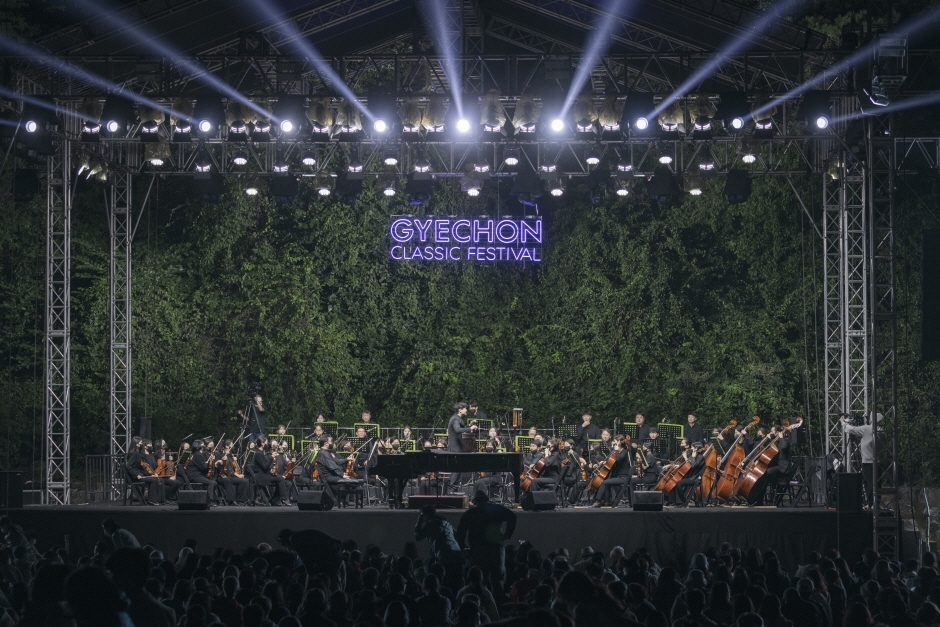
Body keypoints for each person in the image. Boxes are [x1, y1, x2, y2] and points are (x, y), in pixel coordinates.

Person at [456, 491, 516, 603]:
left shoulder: (471, 513)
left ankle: (480, 605)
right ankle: (498, 607)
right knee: (497, 581)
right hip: (496, 548)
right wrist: (507, 535)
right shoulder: (496, 509)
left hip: (478, 550)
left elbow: (460, 532)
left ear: (475, 501)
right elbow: (512, 516)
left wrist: (463, 547)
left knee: (479, 581)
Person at [841, 413, 883, 507]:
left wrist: (843, 422)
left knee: (869, 483)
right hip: (879, 461)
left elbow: (851, 430)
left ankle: (871, 503)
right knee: (877, 483)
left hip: (868, 461)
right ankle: (876, 503)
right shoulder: (882, 431)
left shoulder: (867, 429)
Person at [592, 437, 632, 507]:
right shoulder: (617, 452)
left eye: (615, 441)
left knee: (604, 482)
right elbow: (612, 462)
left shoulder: (624, 452)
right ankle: (607, 501)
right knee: (606, 481)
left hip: (623, 477)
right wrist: (605, 462)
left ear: (619, 442)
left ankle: (598, 501)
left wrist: (616, 450)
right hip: (617, 476)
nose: (613, 442)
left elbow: (618, 459)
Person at [251, 437, 290, 506]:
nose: (267, 444)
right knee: (280, 479)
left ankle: (275, 499)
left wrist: (270, 470)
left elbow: (264, 466)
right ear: (262, 443)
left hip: (264, 474)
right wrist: (271, 457)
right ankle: (284, 499)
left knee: (280, 478)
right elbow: (264, 466)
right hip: (261, 476)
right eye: (266, 443)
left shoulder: (261, 453)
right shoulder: (258, 454)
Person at [127, 439, 166, 504]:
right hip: (136, 476)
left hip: (140, 474)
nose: (141, 444)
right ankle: (151, 500)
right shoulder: (134, 454)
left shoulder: (137, 453)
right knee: (154, 480)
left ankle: (159, 500)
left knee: (158, 479)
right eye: (140, 442)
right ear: (136, 443)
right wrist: (136, 475)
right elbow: (129, 466)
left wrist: (152, 473)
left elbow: (141, 466)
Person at [448, 402, 478, 489]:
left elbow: (461, 428)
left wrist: (469, 425)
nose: (466, 410)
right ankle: (452, 489)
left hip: (457, 447)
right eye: (465, 408)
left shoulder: (457, 418)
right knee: (456, 469)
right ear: (460, 410)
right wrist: (470, 428)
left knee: (458, 469)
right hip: (455, 447)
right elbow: (457, 429)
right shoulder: (455, 419)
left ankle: (455, 488)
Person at [185, 439, 222, 505]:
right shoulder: (198, 455)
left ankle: (209, 498)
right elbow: (204, 467)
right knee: (212, 483)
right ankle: (209, 500)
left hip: (198, 475)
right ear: (199, 446)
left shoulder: (198, 454)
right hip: (194, 475)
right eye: (202, 444)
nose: (204, 445)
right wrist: (210, 461)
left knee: (213, 482)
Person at [217, 439, 250, 505]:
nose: (233, 446)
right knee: (244, 481)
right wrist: (238, 475)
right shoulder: (224, 455)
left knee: (245, 481)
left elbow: (235, 467)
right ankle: (234, 500)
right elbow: (229, 470)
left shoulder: (230, 456)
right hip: (226, 476)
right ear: (227, 446)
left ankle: (240, 499)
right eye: (231, 445)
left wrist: (234, 460)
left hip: (231, 476)